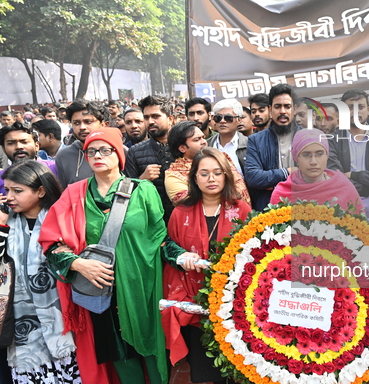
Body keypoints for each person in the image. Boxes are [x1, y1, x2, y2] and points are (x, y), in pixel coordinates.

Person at [38, 128, 197, 384]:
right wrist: (78, 264)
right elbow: (52, 243)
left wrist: (180, 256)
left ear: (118, 154)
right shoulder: (74, 194)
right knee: (119, 355)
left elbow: (160, 239)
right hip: (99, 290)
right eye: (91, 151)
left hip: (142, 287)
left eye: (104, 149)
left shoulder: (143, 190)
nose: (97, 155)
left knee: (150, 350)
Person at [163, 147, 250, 384]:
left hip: (234, 303)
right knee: (206, 368)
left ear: (226, 175)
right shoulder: (180, 213)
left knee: (237, 366)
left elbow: (254, 255)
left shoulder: (241, 210)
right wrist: (181, 258)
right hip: (196, 303)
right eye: (204, 173)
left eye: (217, 172)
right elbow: (169, 249)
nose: (211, 178)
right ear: (194, 178)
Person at [0, 161, 81, 383]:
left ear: (41, 191)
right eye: (7, 190)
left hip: (60, 314)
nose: (10, 196)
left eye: (18, 191)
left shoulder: (63, 218)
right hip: (20, 321)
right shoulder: (6, 220)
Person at [327, 89, 369, 219]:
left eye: (361, 107)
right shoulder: (331, 141)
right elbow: (335, 177)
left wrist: (355, 175)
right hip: (342, 210)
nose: (356, 112)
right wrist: (366, 189)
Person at [270, 128, 363, 212]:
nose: (313, 162)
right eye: (306, 155)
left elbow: (359, 227)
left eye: (319, 154)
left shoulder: (344, 187)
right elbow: (276, 229)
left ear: (327, 156)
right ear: (296, 158)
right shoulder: (283, 193)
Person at [165, 121, 250, 206]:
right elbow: (187, 204)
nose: (204, 142)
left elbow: (239, 186)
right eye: (197, 140)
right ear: (182, 148)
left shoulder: (220, 158)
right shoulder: (174, 175)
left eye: (203, 137)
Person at [244, 84, 299, 211]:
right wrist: (288, 172)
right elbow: (253, 178)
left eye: (287, 106)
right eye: (277, 106)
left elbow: (314, 175)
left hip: (304, 208)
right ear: (270, 110)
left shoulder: (308, 137)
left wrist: (269, 179)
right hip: (269, 211)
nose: (282, 111)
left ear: (294, 109)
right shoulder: (256, 140)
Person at [124, 95, 175, 223]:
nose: (150, 121)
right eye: (146, 117)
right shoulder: (135, 152)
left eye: (156, 116)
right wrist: (142, 180)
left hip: (186, 221)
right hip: (151, 223)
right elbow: (125, 192)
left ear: (171, 119)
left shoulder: (186, 147)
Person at [55, 100, 108, 188]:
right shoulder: (63, 156)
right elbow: (63, 193)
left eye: (88, 122)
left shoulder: (119, 151)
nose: (82, 127)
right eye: (76, 123)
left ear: (102, 124)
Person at [0, 121, 59, 194]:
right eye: (11, 143)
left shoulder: (56, 168)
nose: (19, 147)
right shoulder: (1, 177)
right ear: (4, 149)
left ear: (37, 146)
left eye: (24, 142)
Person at [207, 99, 248, 176]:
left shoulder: (249, 145)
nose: (222, 121)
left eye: (228, 118)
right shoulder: (206, 145)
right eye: (218, 118)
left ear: (239, 120)